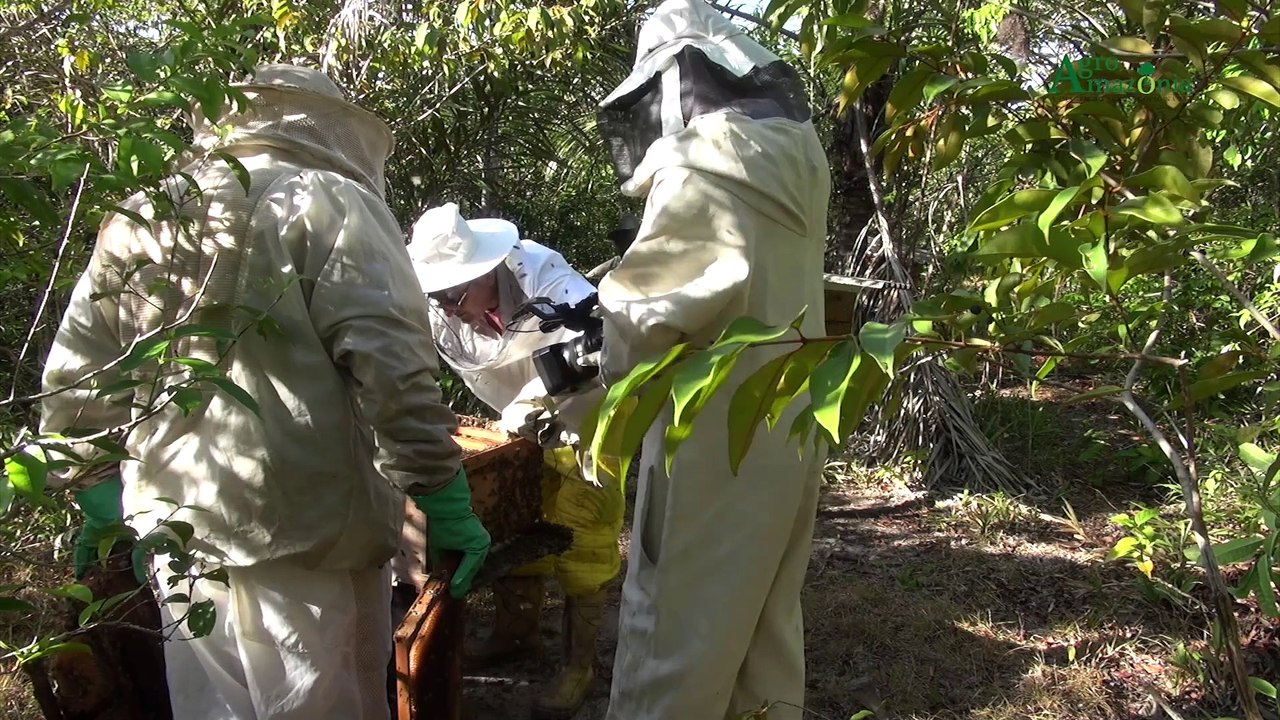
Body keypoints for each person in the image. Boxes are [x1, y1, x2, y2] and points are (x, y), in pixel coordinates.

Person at [39, 64, 491, 720]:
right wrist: (439, 489)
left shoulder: (143, 214)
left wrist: (98, 496)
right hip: (307, 544)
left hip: (174, 537)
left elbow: (78, 379)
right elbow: (391, 365)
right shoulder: (327, 199)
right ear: (325, 125)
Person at [590, 1, 833, 718]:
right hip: (791, 427)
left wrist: (602, 373)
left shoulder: (699, 170)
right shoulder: (802, 163)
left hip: (709, 441)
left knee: (673, 639)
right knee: (763, 626)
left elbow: (641, 319)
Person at [404, 202, 625, 719]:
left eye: (455, 295)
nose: (448, 308)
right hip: (515, 424)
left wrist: (535, 402)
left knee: (585, 534)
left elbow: (598, 345)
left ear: (487, 272)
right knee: (512, 519)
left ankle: (578, 666)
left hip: (585, 416)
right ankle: (516, 632)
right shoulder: (449, 304)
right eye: (438, 297)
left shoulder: (547, 278)